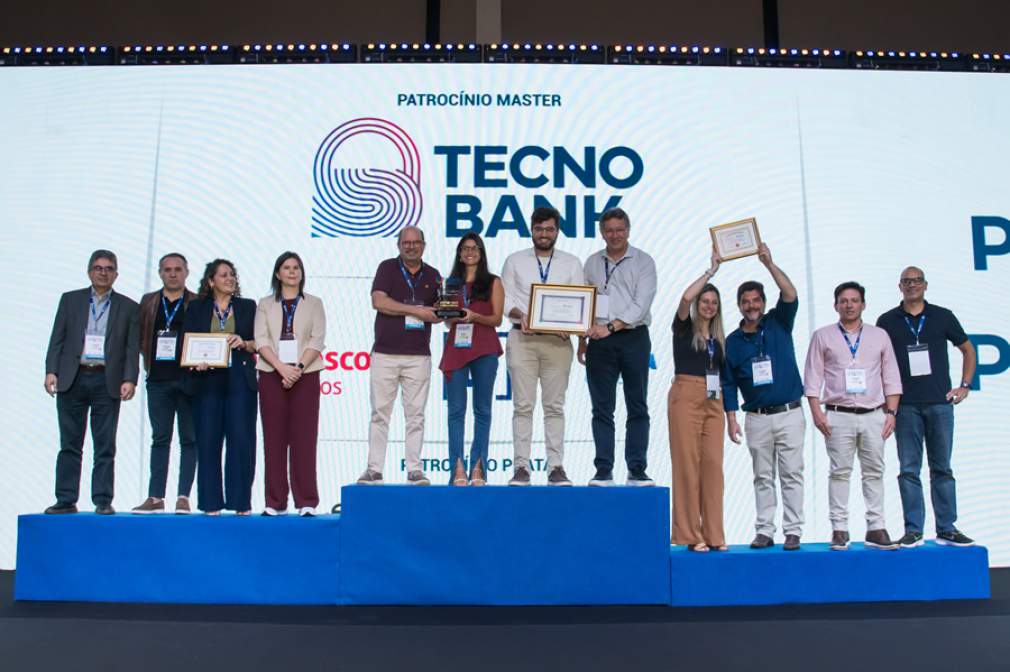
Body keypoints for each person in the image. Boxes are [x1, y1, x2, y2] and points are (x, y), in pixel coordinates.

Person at [876, 266, 976, 547]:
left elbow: (968, 349)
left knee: (942, 468)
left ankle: (946, 528)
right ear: (900, 287)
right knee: (909, 470)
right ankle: (914, 530)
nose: (912, 285)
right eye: (906, 281)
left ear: (925, 285)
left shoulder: (943, 316)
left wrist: (964, 386)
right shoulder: (887, 320)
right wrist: (885, 398)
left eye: (917, 280)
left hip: (939, 403)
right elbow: (878, 359)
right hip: (905, 405)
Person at [804, 282, 902, 550]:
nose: (849, 305)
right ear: (836, 305)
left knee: (874, 472)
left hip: (874, 414)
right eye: (844, 301)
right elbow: (812, 377)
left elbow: (891, 376)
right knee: (839, 473)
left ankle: (876, 527)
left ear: (863, 304)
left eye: (854, 300)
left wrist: (891, 413)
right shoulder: (823, 336)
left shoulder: (879, 335)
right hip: (838, 415)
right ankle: (839, 529)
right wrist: (816, 412)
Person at [722, 243, 805, 550]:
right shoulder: (732, 341)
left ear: (764, 302)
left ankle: (793, 531)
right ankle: (764, 531)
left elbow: (790, 293)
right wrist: (731, 419)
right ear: (739, 306)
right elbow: (728, 383)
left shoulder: (779, 322)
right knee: (762, 477)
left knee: (792, 474)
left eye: (756, 300)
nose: (751, 306)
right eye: (745, 302)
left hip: (789, 413)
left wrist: (769, 263)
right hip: (756, 418)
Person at [43, 250, 140, 515]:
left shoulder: (129, 306)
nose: (103, 272)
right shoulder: (70, 300)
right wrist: (51, 371)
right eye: (98, 268)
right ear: (89, 272)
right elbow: (57, 338)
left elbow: (132, 348)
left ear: (116, 274)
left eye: (109, 268)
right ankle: (66, 499)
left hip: (107, 380)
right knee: (70, 444)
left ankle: (103, 500)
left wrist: (130, 378)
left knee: (105, 445)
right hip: (72, 378)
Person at [500, 206, 584, 486]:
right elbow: (505, 300)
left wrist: (573, 326)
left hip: (558, 342)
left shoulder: (571, 263)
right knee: (523, 406)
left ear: (557, 231)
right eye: (539, 229)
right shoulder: (515, 261)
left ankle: (556, 467)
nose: (544, 234)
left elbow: (580, 304)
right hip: (522, 339)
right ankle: (521, 468)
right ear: (531, 230)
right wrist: (521, 315)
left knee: (554, 407)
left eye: (549, 229)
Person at [580, 207, 657, 486]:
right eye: (609, 230)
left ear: (628, 231)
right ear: (602, 233)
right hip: (599, 342)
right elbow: (584, 305)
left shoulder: (643, 261)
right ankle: (603, 469)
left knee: (637, 405)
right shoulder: (591, 263)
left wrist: (610, 327)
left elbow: (641, 304)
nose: (615, 235)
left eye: (620, 230)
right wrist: (582, 341)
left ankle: (636, 468)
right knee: (601, 408)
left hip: (633, 337)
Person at [359, 226, 441, 485]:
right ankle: (374, 469)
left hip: (418, 356)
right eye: (406, 243)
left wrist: (443, 311)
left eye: (416, 242)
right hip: (385, 353)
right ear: (399, 245)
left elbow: (438, 313)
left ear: (424, 245)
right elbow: (379, 302)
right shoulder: (387, 268)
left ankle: (415, 469)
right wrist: (417, 311)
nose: (411, 247)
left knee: (416, 416)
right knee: (379, 414)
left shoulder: (433, 275)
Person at [182, 259, 258, 515]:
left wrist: (245, 343)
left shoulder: (248, 306)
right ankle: (210, 502)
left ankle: (240, 501)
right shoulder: (196, 307)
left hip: (240, 378)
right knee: (208, 440)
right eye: (223, 275)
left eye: (232, 274)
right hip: (207, 379)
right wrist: (195, 362)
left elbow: (261, 341)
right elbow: (187, 342)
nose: (229, 278)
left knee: (241, 440)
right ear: (210, 281)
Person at [255, 252, 327, 515]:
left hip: (305, 374)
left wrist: (297, 368)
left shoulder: (314, 303)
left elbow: (317, 340)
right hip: (271, 373)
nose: (292, 271)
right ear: (278, 274)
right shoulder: (265, 304)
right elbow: (261, 339)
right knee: (274, 440)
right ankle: (275, 502)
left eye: (297, 267)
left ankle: (306, 501)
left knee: (304, 439)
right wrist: (281, 367)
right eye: (286, 267)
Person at [668, 253, 727, 551]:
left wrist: (732, 417)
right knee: (687, 466)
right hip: (686, 395)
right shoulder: (684, 328)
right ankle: (692, 535)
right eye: (705, 301)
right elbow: (684, 298)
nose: (709, 306)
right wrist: (710, 272)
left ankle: (715, 534)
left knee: (713, 467)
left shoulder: (720, 339)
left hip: (714, 400)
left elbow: (725, 377)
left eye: (714, 302)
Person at [132, 253, 198, 515]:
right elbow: (139, 337)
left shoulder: (197, 302)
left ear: (186, 272)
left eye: (178, 269)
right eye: (167, 269)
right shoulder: (148, 301)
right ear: (160, 273)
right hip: (158, 380)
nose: (172, 274)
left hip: (189, 380)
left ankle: (183, 497)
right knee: (160, 439)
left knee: (189, 439)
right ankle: (156, 496)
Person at [439, 233, 504, 485]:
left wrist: (474, 316)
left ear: (481, 252)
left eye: (474, 248)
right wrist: (449, 314)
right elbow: (447, 322)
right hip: (457, 348)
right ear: (459, 253)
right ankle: (457, 468)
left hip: (485, 348)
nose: (469, 252)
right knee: (455, 411)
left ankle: (478, 467)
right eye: (465, 248)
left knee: (482, 410)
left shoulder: (493, 281)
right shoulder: (450, 283)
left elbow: (496, 319)